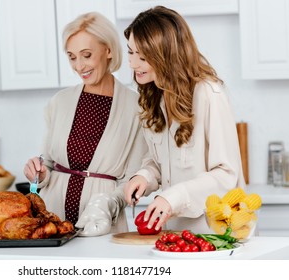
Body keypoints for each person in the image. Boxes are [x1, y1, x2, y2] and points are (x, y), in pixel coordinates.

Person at [122, 6, 245, 233]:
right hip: (175, 233)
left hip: (215, 233)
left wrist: (174, 197)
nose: (132, 63)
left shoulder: (209, 93)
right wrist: (144, 177)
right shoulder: (153, 96)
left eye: (142, 56)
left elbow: (226, 174)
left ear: (166, 54)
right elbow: (158, 161)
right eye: (130, 52)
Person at [23, 12, 147, 234]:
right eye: (72, 57)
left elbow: (132, 179)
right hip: (53, 220)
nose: (79, 66)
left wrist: (105, 204)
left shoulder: (136, 108)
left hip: (103, 224)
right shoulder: (59, 102)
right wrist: (39, 173)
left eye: (86, 55)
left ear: (108, 50)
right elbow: (48, 163)